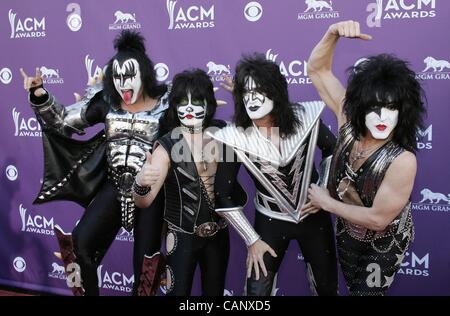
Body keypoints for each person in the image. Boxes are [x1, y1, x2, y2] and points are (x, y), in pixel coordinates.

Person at [20, 30, 168, 296]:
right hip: (114, 187)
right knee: (78, 245)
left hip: (150, 194)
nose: (124, 83)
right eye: (118, 76)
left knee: (146, 267)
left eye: (129, 76)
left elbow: (191, 135)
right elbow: (62, 121)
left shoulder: (166, 106)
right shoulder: (106, 103)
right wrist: (40, 95)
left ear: (144, 74)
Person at [306, 20, 426, 295]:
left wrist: (326, 202)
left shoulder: (402, 160)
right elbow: (317, 69)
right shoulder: (347, 119)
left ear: (403, 111)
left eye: (391, 107)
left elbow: (378, 220)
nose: (382, 117)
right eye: (374, 107)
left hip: (385, 241)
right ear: (359, 107)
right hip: (348, 232)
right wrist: (331, 35)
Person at [208, 54, 338, 296]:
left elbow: (333, 149)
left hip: (314, 219)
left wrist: (324, 188)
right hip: (269, 223)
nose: (252, 99)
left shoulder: (304, 119)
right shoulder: (234, 136)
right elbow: (223, 194)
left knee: (327, 288)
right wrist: (251, 240)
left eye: (259, 90)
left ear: (275, 92)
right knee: (256, 294)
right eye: (246, 93)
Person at [134, 69, 245, 296]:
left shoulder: (224, 133)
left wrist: (241, 99)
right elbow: (144, 201)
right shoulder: (166, 145)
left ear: (208, 104)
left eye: (197, 101)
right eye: (183, 102)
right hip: (182, 237)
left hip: (219, 235)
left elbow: (257, 133)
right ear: (175, 106)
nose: (190, 108)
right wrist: (140, 182)